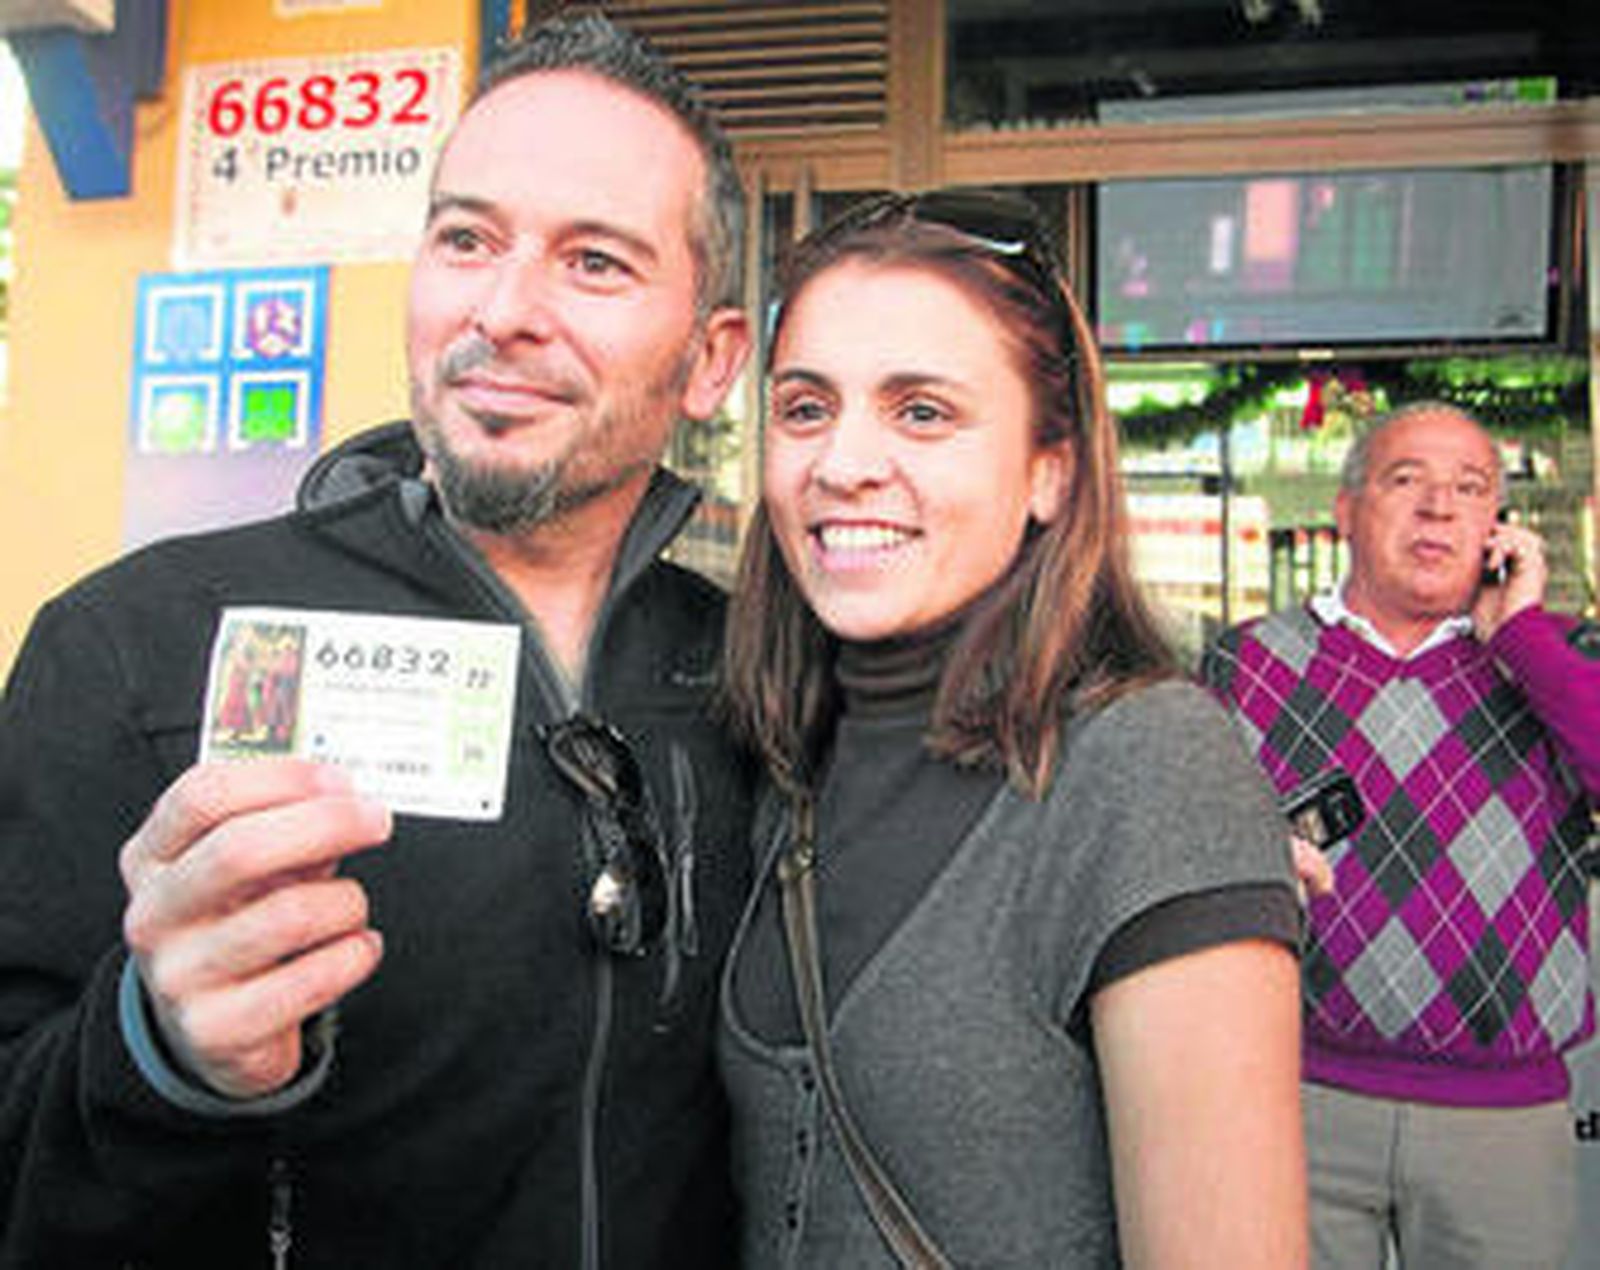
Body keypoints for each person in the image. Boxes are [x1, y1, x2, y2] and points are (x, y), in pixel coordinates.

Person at [0, 15, 756, 1269]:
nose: (503, 310)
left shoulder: (755, 684)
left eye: (596, 263)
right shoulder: (131, 651)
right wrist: (158, 1055)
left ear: (710, 358)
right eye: (465, 238)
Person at [718, 188, 1309, 1268]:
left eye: (922, 411)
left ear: (1052, 469)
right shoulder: (776, 754)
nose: (841, 462)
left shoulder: (1147, 765)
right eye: (806, 407)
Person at [1201, 401, 1600, 1269]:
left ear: (1499, 525)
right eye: (1405, 479)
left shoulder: (1559, 657)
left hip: (1502, 1123)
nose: (1439, 507)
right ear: (1346, 511)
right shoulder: (1249, 661)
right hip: (1292, 1093)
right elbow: (1186, 847)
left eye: (1470, 488)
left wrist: (1523, 637)